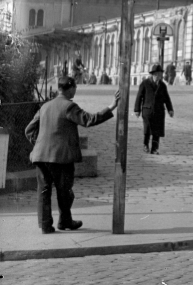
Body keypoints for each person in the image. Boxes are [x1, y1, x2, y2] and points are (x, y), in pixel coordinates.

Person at [24, 77, 119, 233]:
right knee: (65, 191)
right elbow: (89, 120)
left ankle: (45, 225)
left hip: (40, 156)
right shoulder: (69, 106)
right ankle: (65, 221)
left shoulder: (45, 106)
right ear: (70, 88)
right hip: (61, 157)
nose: (76, 90)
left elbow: (29, 129)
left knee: (44, 191)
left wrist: (40, 144)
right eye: (75, 87)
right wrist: (112, 106)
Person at [134, 63, 174, 154]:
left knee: (157, 130)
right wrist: (137, 109)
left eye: (160, 74)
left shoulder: (163, 85)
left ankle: (154, 149)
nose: (158, 76)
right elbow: (139, 97)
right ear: (152, 74)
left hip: (159, 111)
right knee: (147, 129)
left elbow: (166, 98)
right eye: (156, 74)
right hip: (147, 110)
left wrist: (170, 109)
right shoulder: (145, 83)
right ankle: (145, 145)